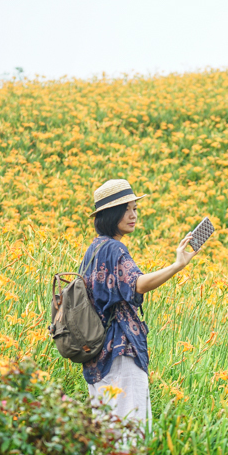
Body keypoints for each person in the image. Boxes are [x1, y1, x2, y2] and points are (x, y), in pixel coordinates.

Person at [79, 178, 199, 437]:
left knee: (105, 434)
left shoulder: (94, 249)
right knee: (130, 432)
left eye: (135, 209)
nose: (133, 216)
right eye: (126, 210)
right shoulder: (115, 249)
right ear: (111, 214)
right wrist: (177, 265)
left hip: (96, 356)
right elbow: (138, 284)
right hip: (120, 352)